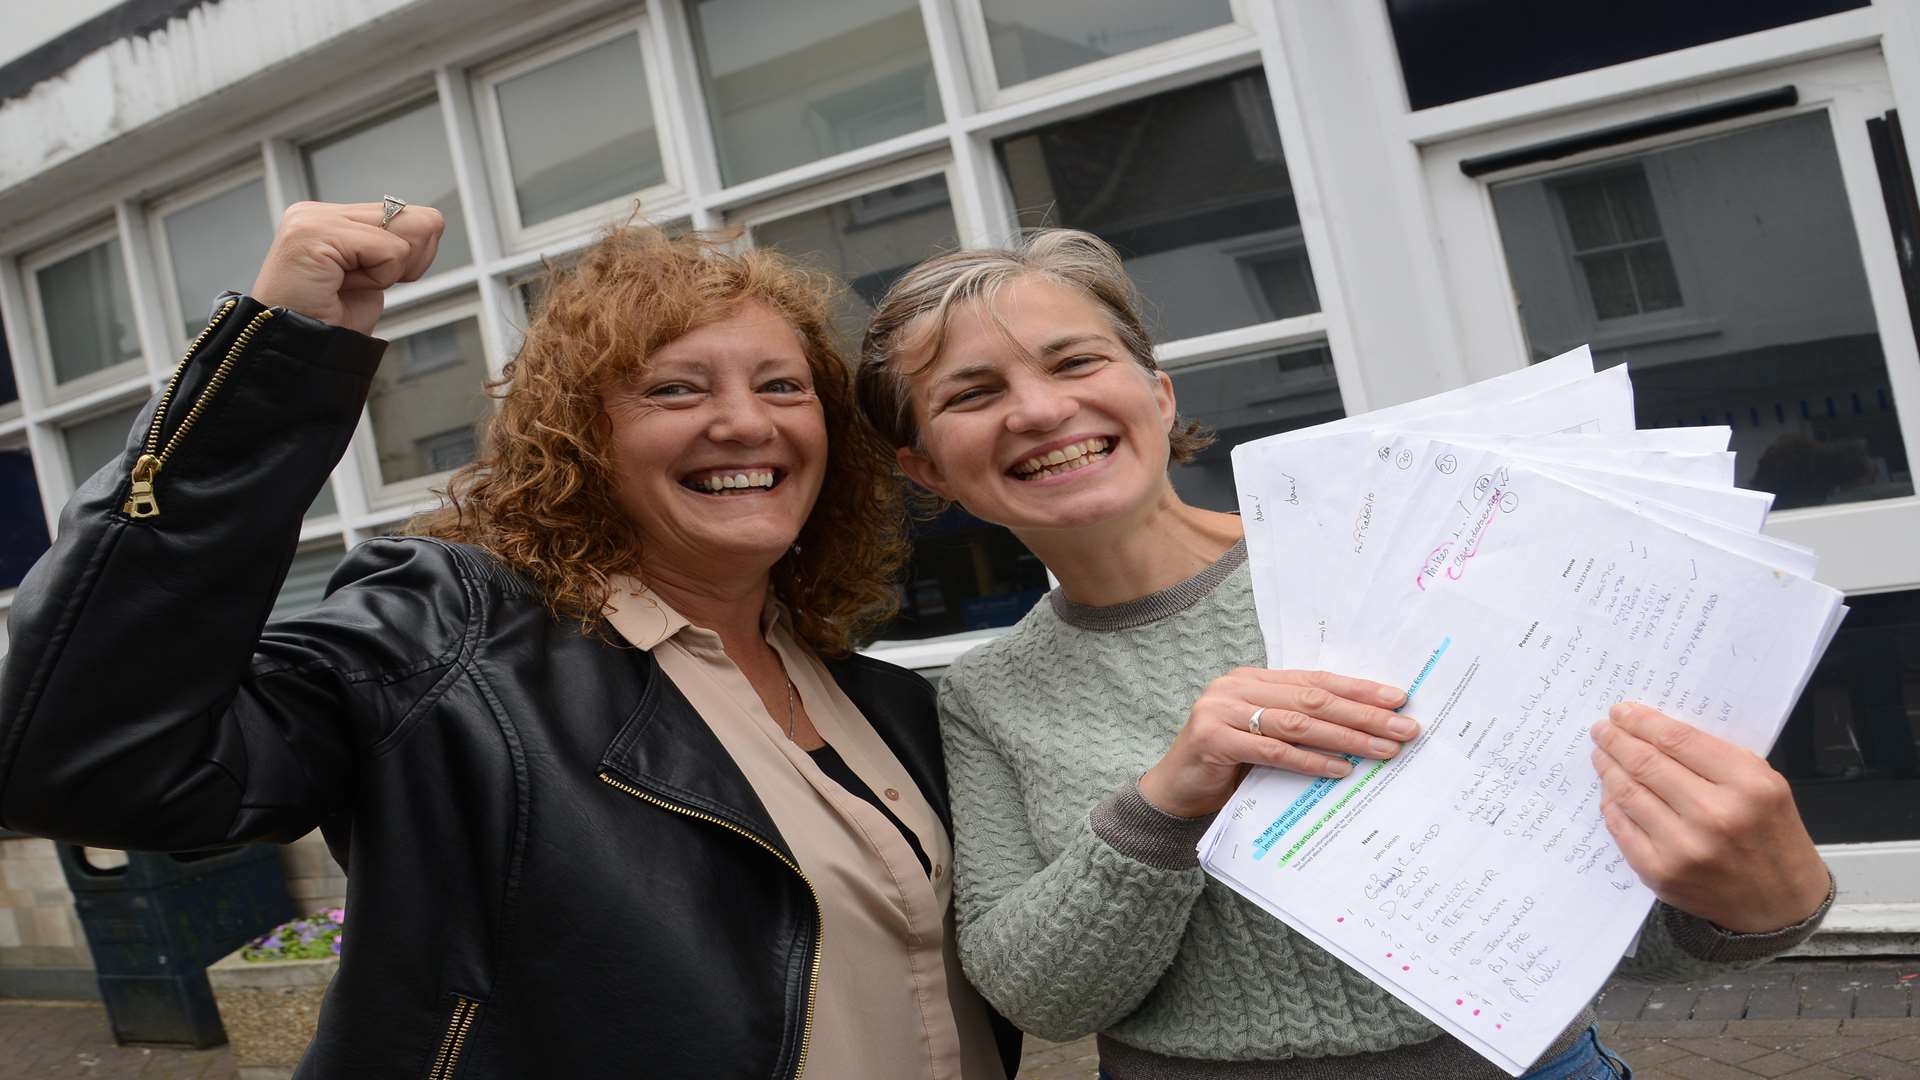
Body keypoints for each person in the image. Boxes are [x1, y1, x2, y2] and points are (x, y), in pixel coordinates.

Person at [0, 200, 1020, 1079]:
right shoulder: (450, 646)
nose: (746, 423)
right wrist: (268, 370)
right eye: (676, 388)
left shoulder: (892, 706)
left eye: (783, 386)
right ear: (581, 440)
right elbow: (90, 762)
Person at [853, 229, 1835, 1079]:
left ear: (1155, 392)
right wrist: (1167, 801)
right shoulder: (985, 695)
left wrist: (1751, 909)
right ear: (926, 467)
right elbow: (1041, 998)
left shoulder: (1403, 564)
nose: (1036, 410)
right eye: (974, 392)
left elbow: (1631, 931)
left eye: (1074, 363)